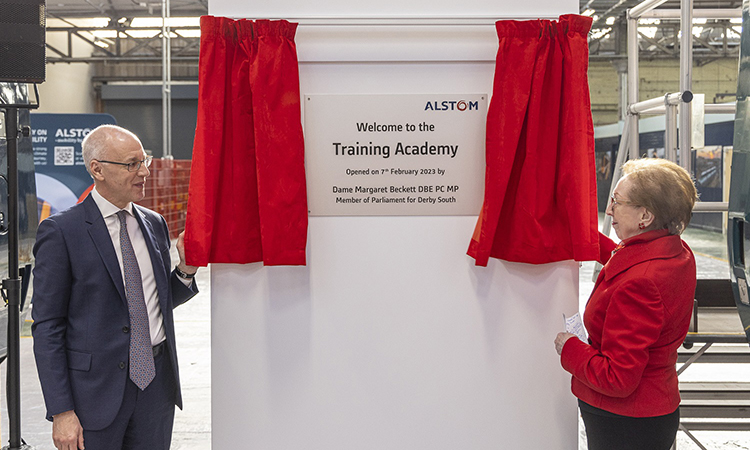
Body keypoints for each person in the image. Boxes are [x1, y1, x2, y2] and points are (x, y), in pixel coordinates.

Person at [31, 125, 199, 450]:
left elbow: (152, 302)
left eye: (144, 161)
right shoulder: (62, 232)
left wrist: (185, 272)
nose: (145, 172)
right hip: (94, 395)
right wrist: (62, 411)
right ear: (98, 169)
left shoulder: (154, 224)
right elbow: (48, 327)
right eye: (132, 164)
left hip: (155, 387)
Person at [554, 158, 698, 450]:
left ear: (644, 215)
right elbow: (628, 261)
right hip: (651, 411)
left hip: (625, 424)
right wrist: (582, 236)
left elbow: (617, 378)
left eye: (617, 201)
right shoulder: (675, 251)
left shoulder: (640, 284)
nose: (609, 210)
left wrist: (569, 347)